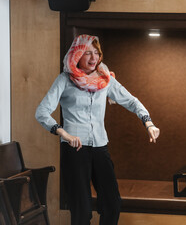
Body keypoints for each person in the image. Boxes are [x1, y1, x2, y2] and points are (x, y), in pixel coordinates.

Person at [35, 34, 160, 225]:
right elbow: (42, 112)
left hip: (100, 146)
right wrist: (64, 133)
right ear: (76, 55)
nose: (94, 58)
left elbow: (131, 101)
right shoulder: (64, 80)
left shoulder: (105, 79)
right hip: (74, 149)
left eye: (96, 53)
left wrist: (148, 122)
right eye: (87, 53)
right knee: (82, 210)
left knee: (112, 204)